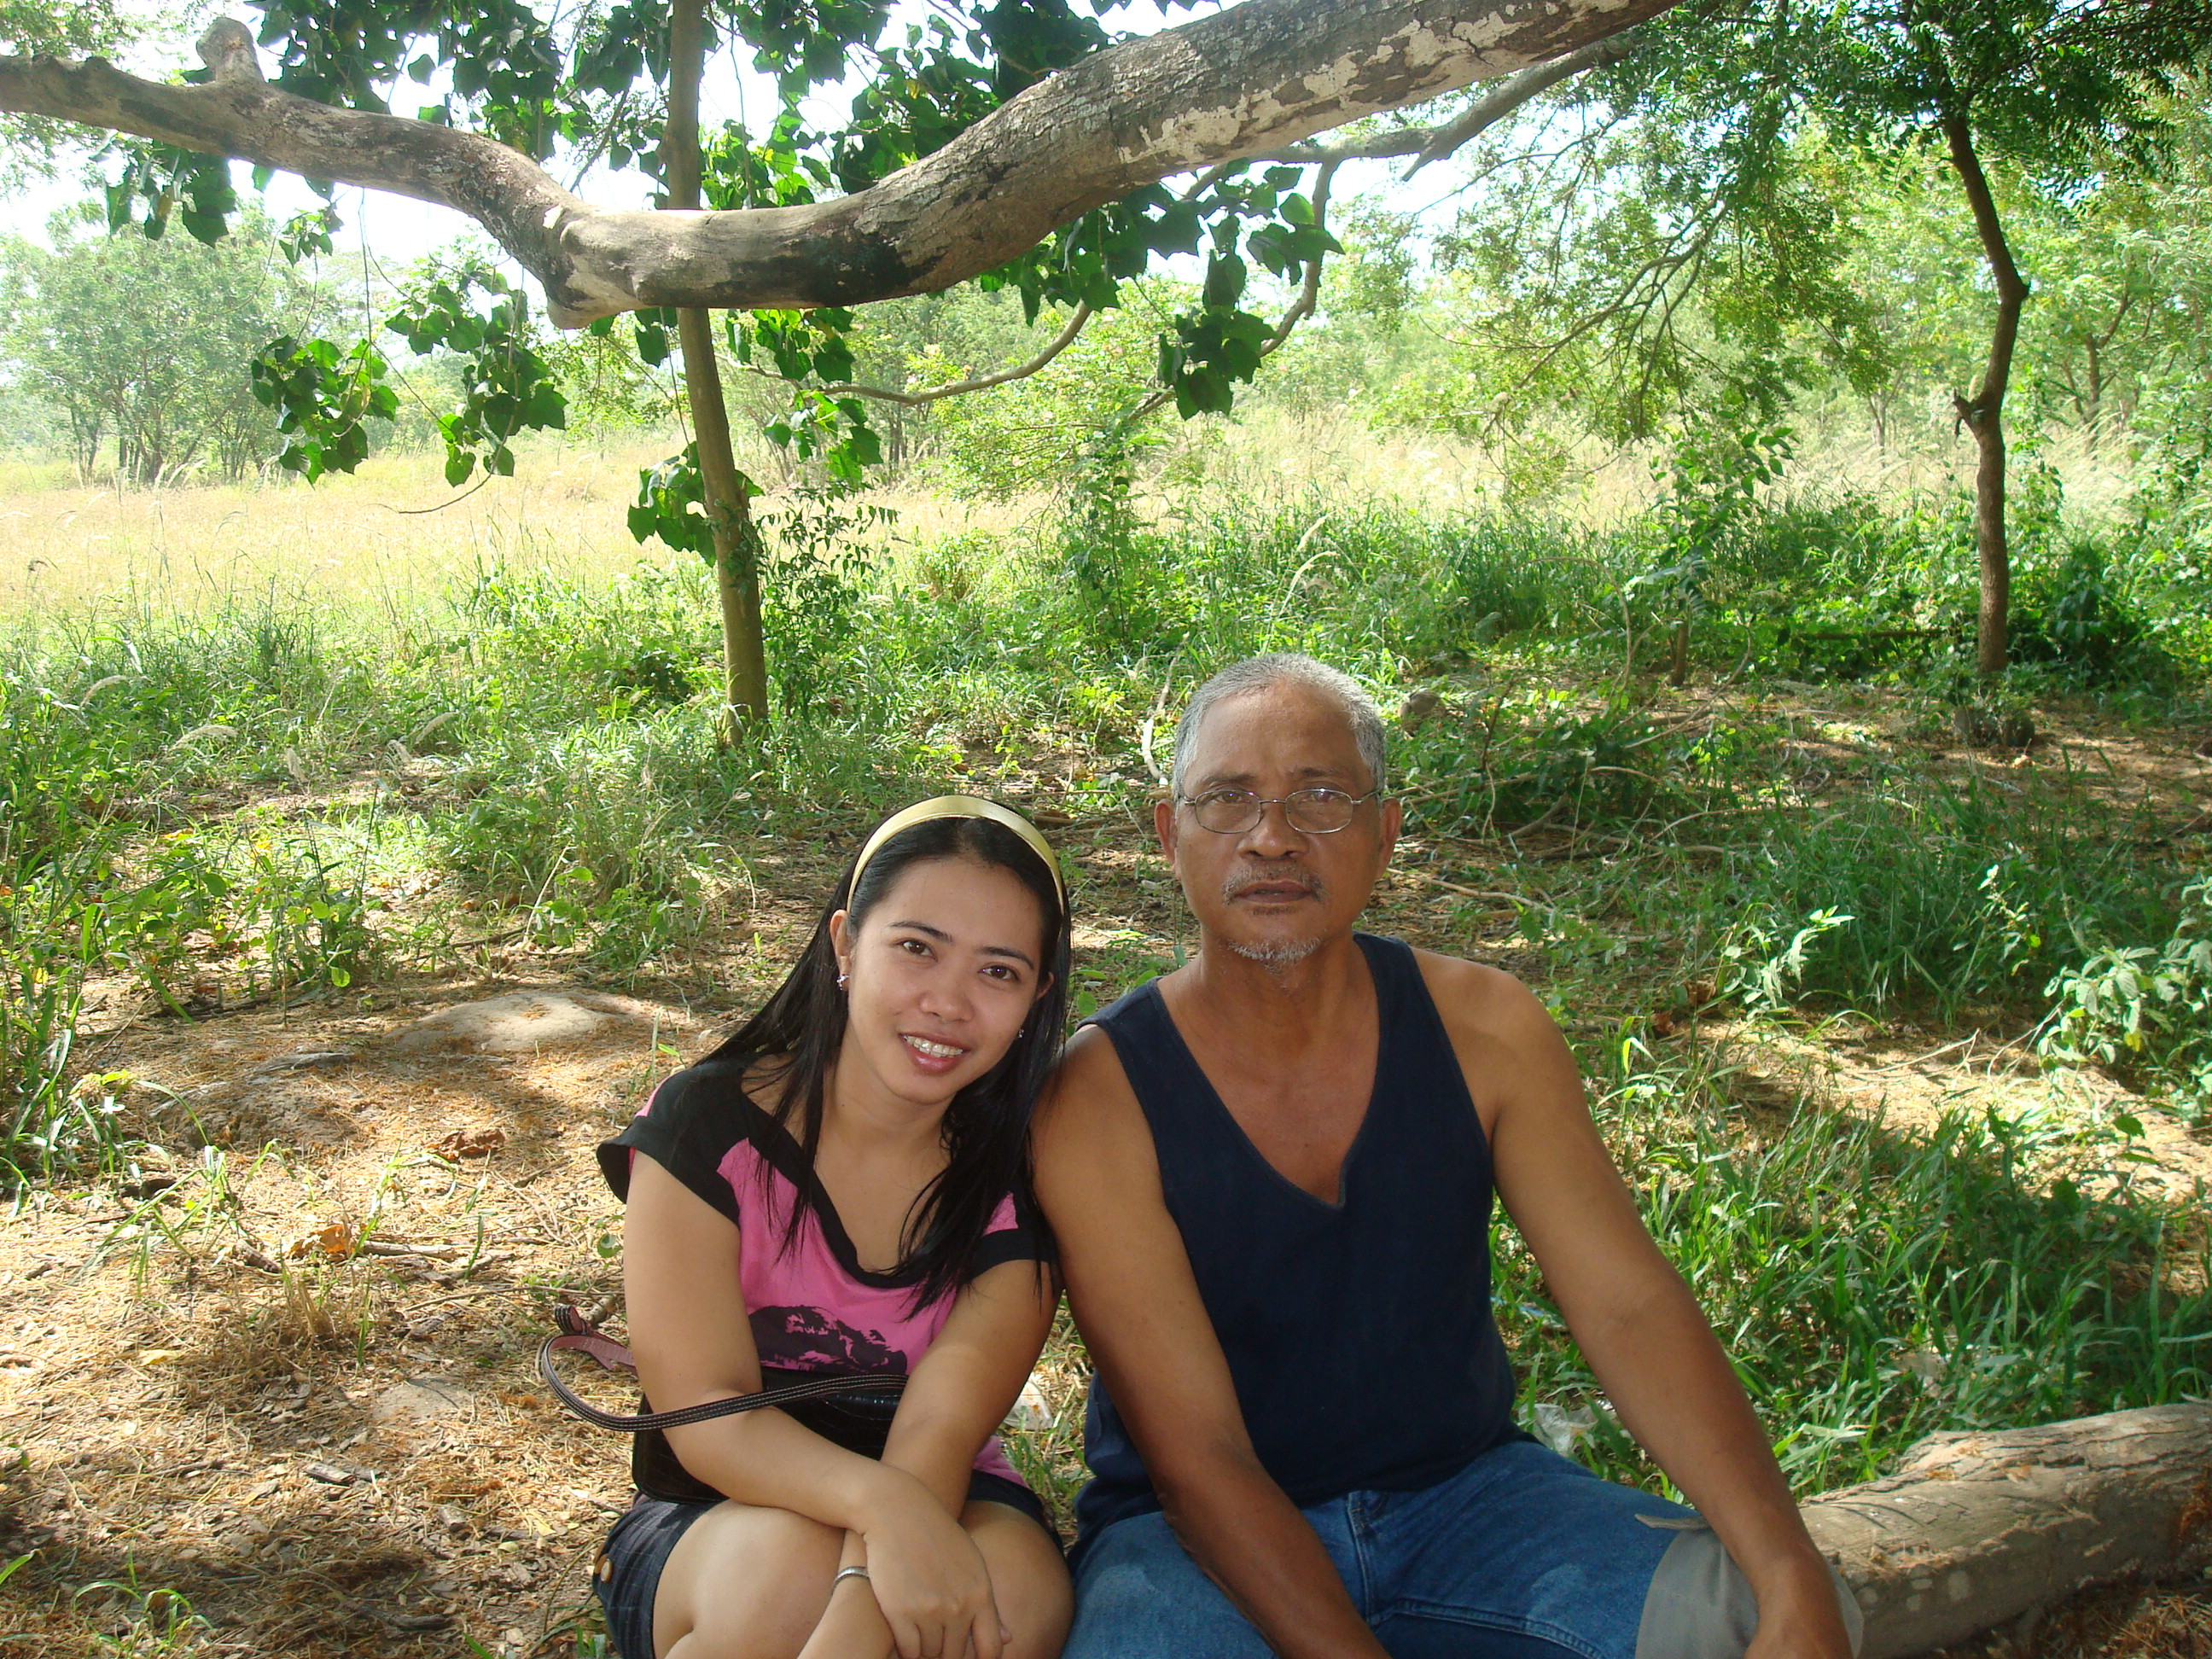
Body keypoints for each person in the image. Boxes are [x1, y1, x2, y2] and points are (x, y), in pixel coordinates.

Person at [1033, 655, 1864, 1659]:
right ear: (1172, 837)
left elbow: (1627, 1307)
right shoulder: (1101, 1094)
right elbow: (1199, 1461)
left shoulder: (1486, 1030)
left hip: (1469, 1502)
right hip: (1194, 1547)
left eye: (1321, 796)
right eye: (1228, 799)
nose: (1272, 837)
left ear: (1385, 833)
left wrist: (1787, 1567)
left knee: (1758, 1615)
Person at [591, 796, 1074, 1659]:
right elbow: (707, 1411)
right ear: (846, 944)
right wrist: (879, 1511)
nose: (947, 1003)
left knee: (1005, 1606)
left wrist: (861, 1604)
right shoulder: (709, 1127)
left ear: (1037, 996)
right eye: (917, 948)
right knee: (781, 1579)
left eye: (998, 972)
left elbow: (939, 1429)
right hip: (717, 1506)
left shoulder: (1023, 1180)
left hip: (946, 1489)